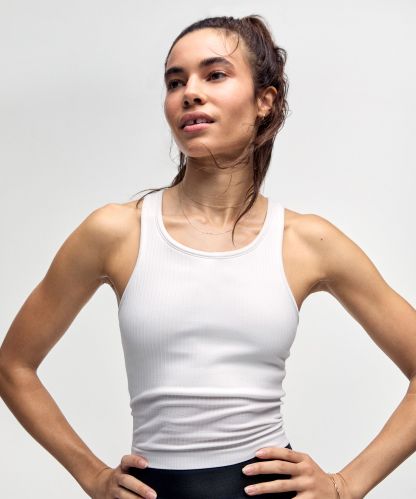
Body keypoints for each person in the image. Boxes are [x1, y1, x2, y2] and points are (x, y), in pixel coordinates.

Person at [0, 13, 415, 499]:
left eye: (215, 74)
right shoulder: (116, 232)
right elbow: (13, 366)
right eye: (175, 82)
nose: (190, 93)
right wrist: (91, 475)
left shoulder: (305, 241)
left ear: (265, 100)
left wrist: (345, 485)